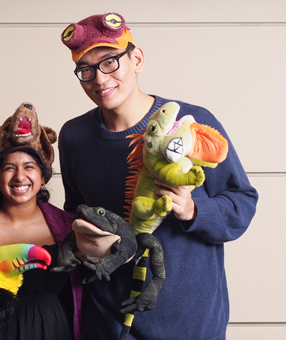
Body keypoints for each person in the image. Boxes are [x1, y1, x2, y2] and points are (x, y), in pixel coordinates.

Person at [58, 12, 259, 340]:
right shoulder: (74, 136)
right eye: (86, 69)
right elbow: (75, 210)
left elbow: (242, 203)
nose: (99, 79)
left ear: (136, 58)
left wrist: (192, 210)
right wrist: (86, 244)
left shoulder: (188, 123)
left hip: (191, 324)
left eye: (110, 61)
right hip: (108, 321)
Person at [0, 102, 85, 340]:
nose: (20, 176)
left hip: (58, 331)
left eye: (29, 167)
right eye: (9, 168)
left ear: (43, 178)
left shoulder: (70, 226)